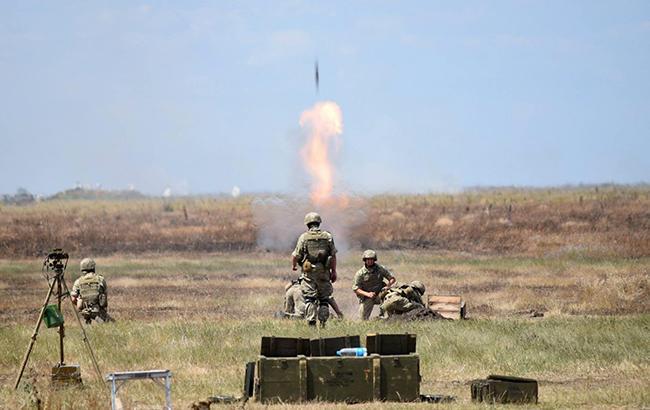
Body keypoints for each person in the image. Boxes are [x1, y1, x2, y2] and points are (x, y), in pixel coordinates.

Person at [291, 212, 338, 326]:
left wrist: (294, 266)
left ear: (307, 224)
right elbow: (333, 256)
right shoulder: (327, 236)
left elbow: (296, 255)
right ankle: (323, 323)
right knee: (324, 299)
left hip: (309, 272)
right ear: (319, 222)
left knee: (310, 298)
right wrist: (333, 271)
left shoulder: (304, 237)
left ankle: (311, 322)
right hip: (324, 271)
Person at [352, 250, 396, 320]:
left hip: (381, 294)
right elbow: (356, 289)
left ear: (374, 260)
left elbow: (392, 279)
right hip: (367, 297)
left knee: (392, 299)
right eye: (368, 259)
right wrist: (367, 294)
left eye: (371, 259)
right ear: (365, 260)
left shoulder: (380, 269)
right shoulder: (360, 273)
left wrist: (388, 286)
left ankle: (389, 317)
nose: (370, 261)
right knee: (362, 320)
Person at [71, 258, 112, 324]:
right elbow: (105, 295)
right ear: (93, 267)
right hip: (98, 310)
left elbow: (73, 299)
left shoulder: (78, 281)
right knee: (111, 324)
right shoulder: (100, 279)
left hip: (85, 311)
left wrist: (82, 307)